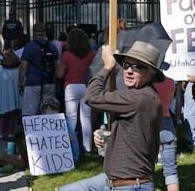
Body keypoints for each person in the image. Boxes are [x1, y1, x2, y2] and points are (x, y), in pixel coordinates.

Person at [58, 41, 162, 191]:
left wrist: (107, 66)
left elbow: (92, 97)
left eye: (137, 67)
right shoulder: (143, 96)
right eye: (126, 65)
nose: (129, 71)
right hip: (112, 179)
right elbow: (134, 134)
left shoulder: (140, 98)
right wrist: (107, 136)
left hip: (130, 185)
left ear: (150, 74)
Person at [56, 28, 96, 154]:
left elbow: (60, 75)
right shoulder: (92, 54)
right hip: (87, 86)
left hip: (71, 86)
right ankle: (87, 149)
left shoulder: (66, 55)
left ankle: (71, 150)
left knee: (71, 119)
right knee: (86, 119)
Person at [20, 22, 59, 116]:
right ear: (44, 33)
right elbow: (56, 67)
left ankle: (31, 131)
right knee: (48, 112)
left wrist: (20, 84)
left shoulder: (29, 47)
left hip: (33, 82)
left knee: (30, 112)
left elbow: (23, 67)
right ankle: (47, 130)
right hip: (49, 82)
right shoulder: (53, 47)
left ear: (34, 32)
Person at [153, 73, 179, 191]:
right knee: (171, 169)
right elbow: (168, 103)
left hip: (149, 121)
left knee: (145, 166)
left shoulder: (145, 83)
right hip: (167, 120)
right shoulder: (171, 82)